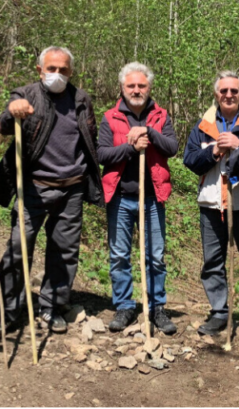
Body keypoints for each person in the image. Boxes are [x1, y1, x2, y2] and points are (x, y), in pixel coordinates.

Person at [0, 46, 103, 336]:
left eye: (63, 69)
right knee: (18, 248)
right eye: (51, 69)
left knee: (64, 251)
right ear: (40, 70)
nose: (57, 74)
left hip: (72, 189)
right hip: (34, 187)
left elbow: (90, 139)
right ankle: (9, 310)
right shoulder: (25, 95)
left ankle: (52, 307)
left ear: (71, 71)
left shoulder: (80, 99)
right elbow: (3, 126)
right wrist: (12, 113)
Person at [182, 70, 239, 343]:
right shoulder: (203, 125)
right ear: (216, 94)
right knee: (212, 262)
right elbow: (189, 160)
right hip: (212, 204)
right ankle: (219, 312)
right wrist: (214, 151)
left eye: (234, 90)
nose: (229, 95)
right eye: (223, 90)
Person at [97, 62, 179, 334]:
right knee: (120, 255)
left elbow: (172, 148)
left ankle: (156, 307)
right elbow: (102, 155)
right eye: (131, 85)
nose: (136, 90)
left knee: (155, 256)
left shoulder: (161, 116)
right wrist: (130, 148)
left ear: (149, 87)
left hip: (153, 197)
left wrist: (150, 133)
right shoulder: (110, 118)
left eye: (141, 85)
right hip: (121, 197)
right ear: (122, 87)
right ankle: (124, 305)